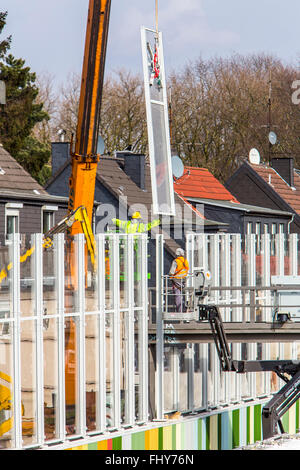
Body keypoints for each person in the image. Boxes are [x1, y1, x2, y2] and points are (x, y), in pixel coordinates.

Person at [169, 248, 189, 313]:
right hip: (183, 280)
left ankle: (179, 311)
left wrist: (170, 276)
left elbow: (171, 272)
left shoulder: (176, 261)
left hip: (176, 281)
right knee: (183, 296)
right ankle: (184, 309)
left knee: (177, 296)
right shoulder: (185, 261)